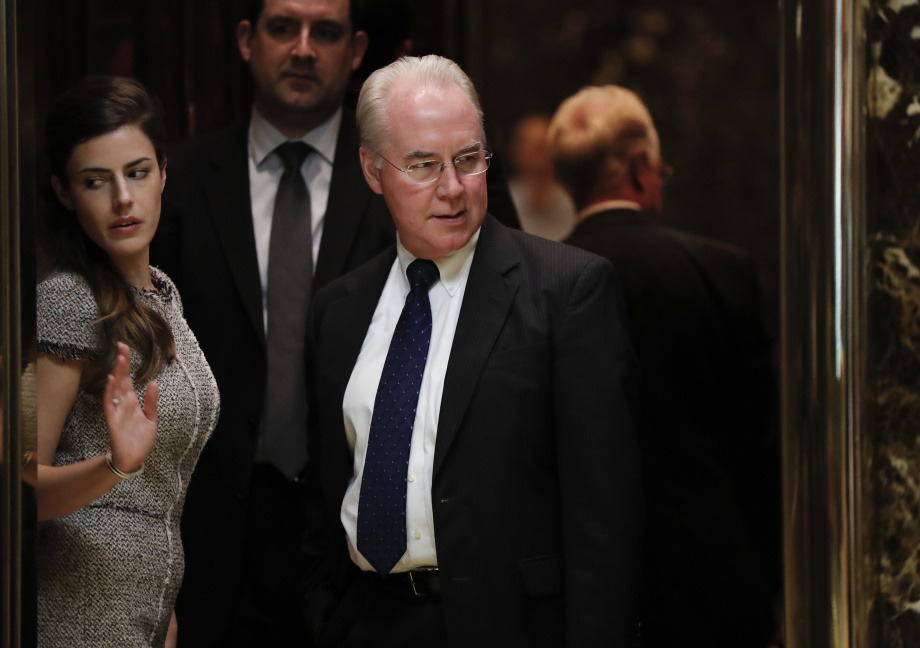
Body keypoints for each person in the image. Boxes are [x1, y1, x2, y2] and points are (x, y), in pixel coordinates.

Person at [149, 1, 518, 644]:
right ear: (246, 39)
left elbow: (500, 305)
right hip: (215, 540)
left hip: (379, 548)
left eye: (325, 32)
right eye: (282, 27)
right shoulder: (175, 185)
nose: (302, 48)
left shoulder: (424, 170)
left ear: (355, 52)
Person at [304, 54, 644, 648]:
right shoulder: (339, 311)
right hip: (366, 621)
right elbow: (325, 489)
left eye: (468, 160)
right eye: (423, 166)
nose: (453, 188)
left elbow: (605, 523)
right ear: (371, 169)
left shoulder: (567, 293)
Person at [550, 85, 780, 647]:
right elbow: (759, 447)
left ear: (567, 179)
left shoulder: (538, 286)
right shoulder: (722, 272)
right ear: (642, 166)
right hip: (714, 585)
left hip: (585, 594)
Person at [36, 76, 220, 647]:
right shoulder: (62, 301)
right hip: (76, 617)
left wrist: (164, 616)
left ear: (163, 171)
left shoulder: (163, 296)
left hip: (145, 615)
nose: (122, 198)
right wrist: (113, 466)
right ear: (64, 192)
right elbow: (14, 486)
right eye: (96, 181)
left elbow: (159, 497)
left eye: (137, 172)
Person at [507, 113, 577, 240]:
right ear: (516, 151)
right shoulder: (501, 203)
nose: (543, 156)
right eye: (537, 148)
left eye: (548, 147)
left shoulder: (571, 202)